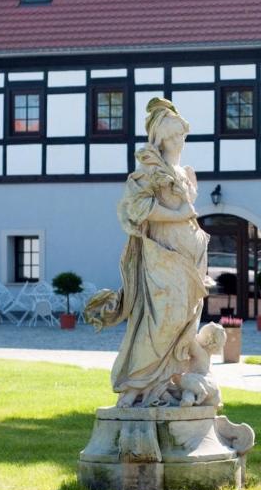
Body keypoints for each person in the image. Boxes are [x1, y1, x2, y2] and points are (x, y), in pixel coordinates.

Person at [85, 98, 211, 407]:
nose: (182, 140)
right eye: (177, 135)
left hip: (190, 255)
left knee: (185, 319)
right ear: (164, 138)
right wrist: (180, 214)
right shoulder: (150, 171)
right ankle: (136, 382)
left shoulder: (184, 172)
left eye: (183, 134)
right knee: (164, 319)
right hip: (163, 255)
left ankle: (163, 382)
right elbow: (137, 208)